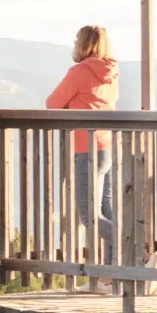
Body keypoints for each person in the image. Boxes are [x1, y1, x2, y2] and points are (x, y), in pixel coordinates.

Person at [45, 26, 120, 263]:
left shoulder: (79, 72)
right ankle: (112, 275)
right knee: (106, 210)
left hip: (87, 148)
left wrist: (72, 106)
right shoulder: (112, 73)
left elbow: (52, 103)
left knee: (89, 216)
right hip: (107, 146)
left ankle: (138, 251)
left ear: (83, 44)